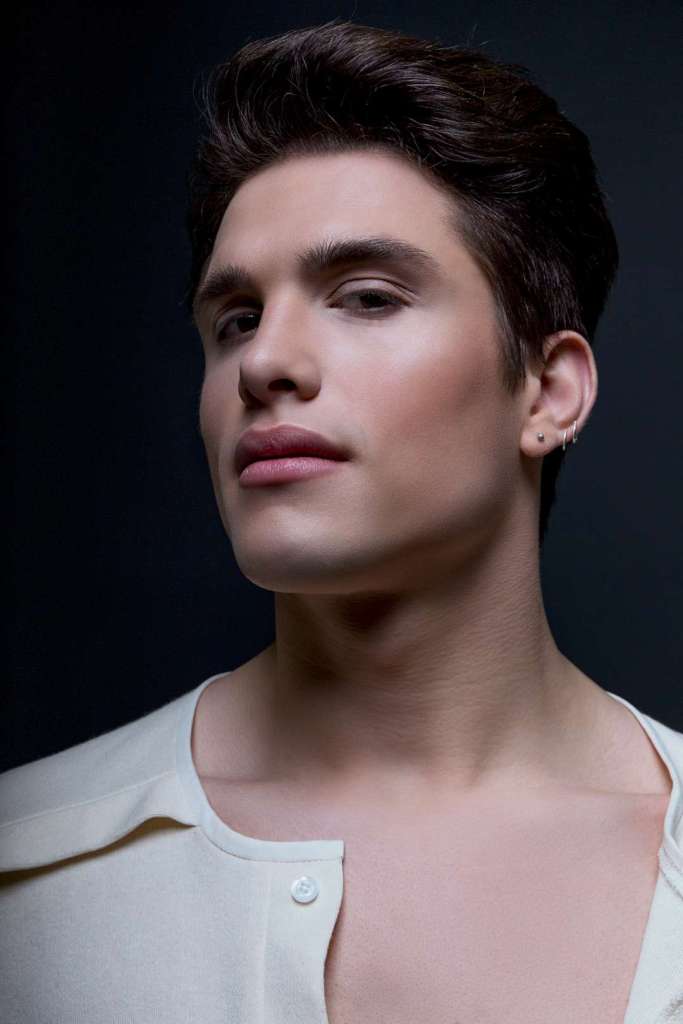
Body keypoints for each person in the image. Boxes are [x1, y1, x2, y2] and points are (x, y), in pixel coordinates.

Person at [2, 19, 682, 1024]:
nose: (265, 361)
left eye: (364, 297)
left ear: (546, 392)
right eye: (235, 318)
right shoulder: (29, 867)